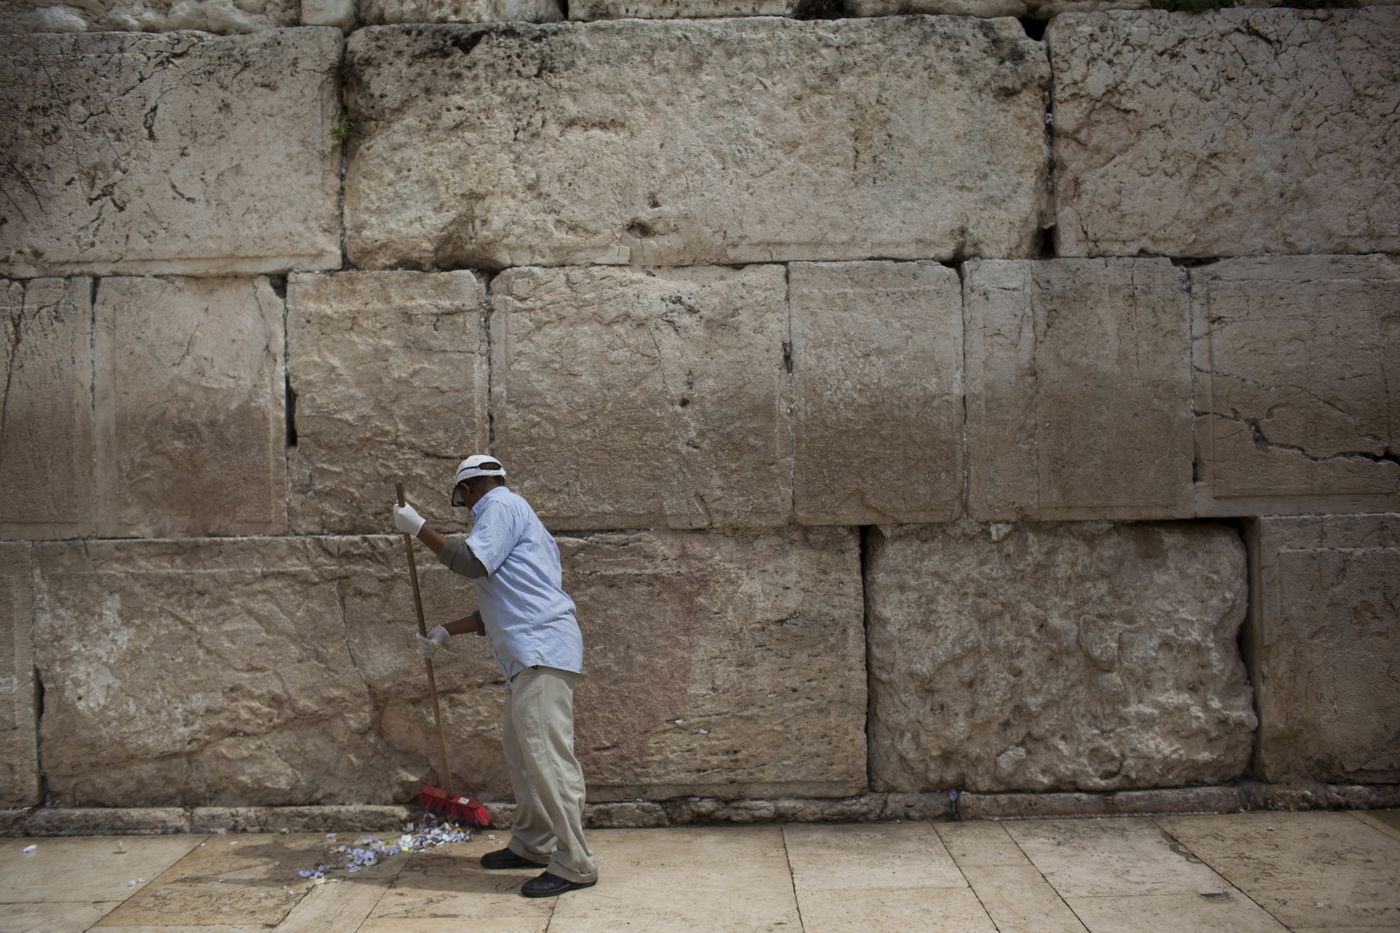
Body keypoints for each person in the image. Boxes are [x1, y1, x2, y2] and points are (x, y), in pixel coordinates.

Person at [392, 454, 597, 898]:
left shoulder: (500, 507)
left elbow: (470, 563)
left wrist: (419, 527)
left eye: (461, 501)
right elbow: (501, 603)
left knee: (547, 759)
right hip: (530, 654)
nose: (464, 511)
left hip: (540, 652)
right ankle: (534, 843)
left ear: (468, 489)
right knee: (523, 756)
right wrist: (447, 630)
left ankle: (575, 862)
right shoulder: (514, 514)